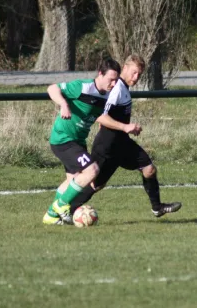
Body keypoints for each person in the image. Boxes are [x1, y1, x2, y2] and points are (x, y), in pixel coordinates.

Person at [69, 54, 182, 218]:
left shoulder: (123, 88)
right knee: (95, 183)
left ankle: (157, 207)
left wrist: (127, 129)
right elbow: (100, 116)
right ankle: (68, 209)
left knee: (149, 169)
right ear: (125, 67)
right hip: (106, 146)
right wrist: (125, 126)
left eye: (139, 75)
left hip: (123, 144)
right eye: (134, 72)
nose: (136, 78)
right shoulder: (116, 89)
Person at [43, 58, 142, 225]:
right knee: (92, 170)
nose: (113, 83)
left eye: (116, 80)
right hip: (63, 139)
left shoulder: (110, 94)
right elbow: (52, 88)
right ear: (100, 74)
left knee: (72, 180)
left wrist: (126, 127)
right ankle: (61, 205)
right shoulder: (83, 87)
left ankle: (51, 216)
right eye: (110, 79)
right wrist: (63, 105)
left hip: (78, 141)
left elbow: (103, 116)